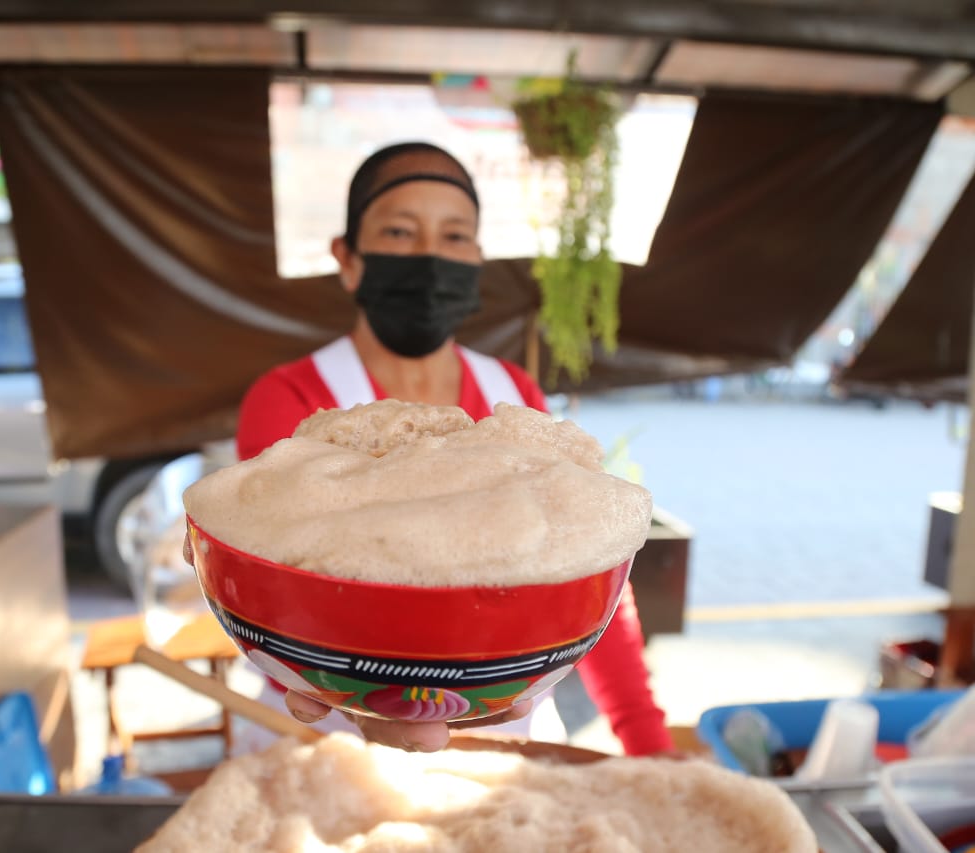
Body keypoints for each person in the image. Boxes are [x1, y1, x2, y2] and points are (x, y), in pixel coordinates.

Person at [224, 141, 673, 757]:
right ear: (349, 259)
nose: (430, 257)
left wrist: (645, 738)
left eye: (455, 236)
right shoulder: (293, 398)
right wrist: (365, 694)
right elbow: (271, 580)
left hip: (505, 736)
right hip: (325, 738)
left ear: (477, 259)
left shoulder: (511, 395)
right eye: (401, 231)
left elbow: (588, 566)